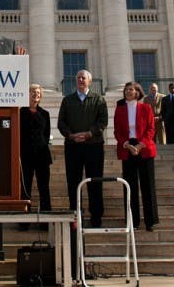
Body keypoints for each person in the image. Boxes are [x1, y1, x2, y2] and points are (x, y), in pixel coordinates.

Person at [57, 69, 108, 228]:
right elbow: (61, 122)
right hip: (73, 146)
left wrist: (89, 134)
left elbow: (103, 121)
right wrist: (71, 135)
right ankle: (75, 214)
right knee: (73, 181)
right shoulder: (67, 100)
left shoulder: (98, 99)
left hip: (94, 146)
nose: (80, 80)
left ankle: (96, 216)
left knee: (95, 181)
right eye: (78, 77)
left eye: (83, 77)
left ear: (89, 81)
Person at [114, 82, 159, 231]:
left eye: (131, 89)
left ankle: (150, 221)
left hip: (144, 148)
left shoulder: (146, 108)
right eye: (126, 90)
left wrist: (140, 145)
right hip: (128, 147)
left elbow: (151, 129)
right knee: (129, 186)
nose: (128, 92)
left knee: (147, 185)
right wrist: (126, 144)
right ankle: (132, 221)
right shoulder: (120, 110)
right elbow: (117, 131)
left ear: (138, 92)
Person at [19, 84, 52, 230]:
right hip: (25, 155)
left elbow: (46, 134)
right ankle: (24, 221)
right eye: (32, 92)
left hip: (42, 156)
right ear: (28, 94)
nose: (35, 95)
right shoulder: (21, 112)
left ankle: (45, 221)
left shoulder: (45, 114)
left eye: (38, 93)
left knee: (44, 188)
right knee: (25, 189)